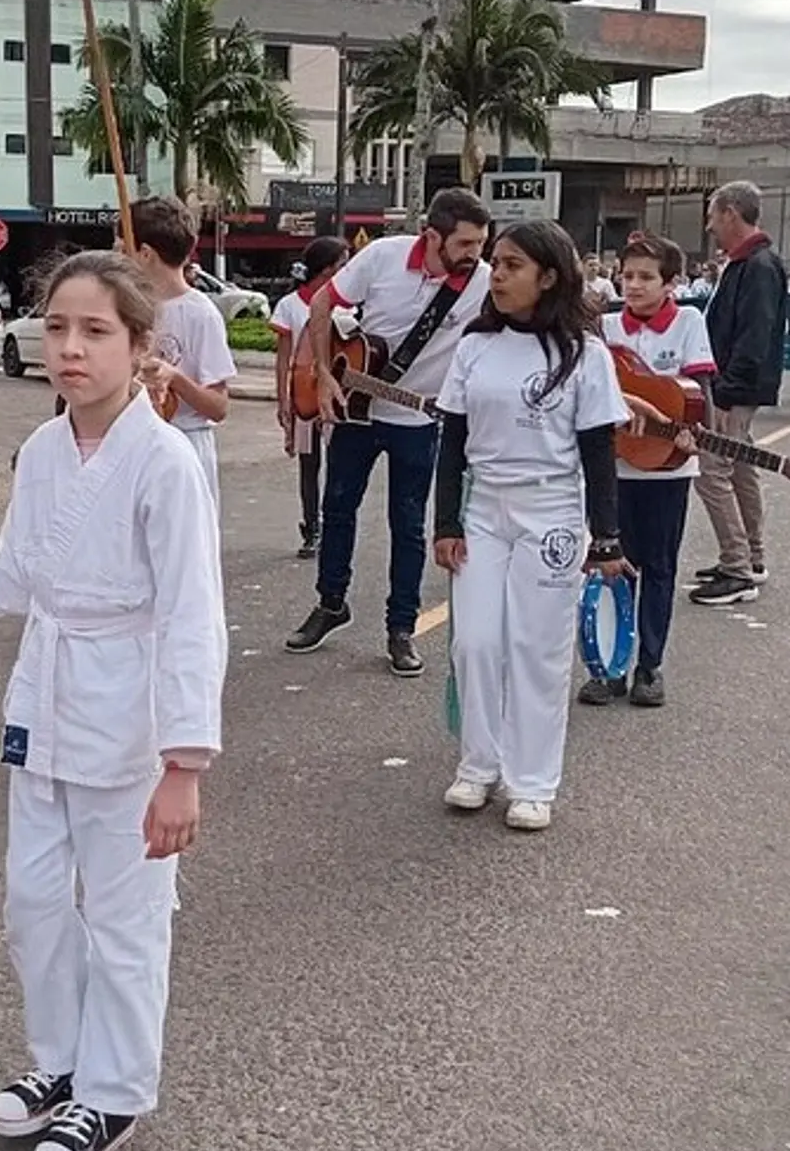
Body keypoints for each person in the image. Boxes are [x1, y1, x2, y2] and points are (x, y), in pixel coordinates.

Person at [0, 250, 227, 1151]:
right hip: (45, 700)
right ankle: (66, 1058)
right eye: (57, 328)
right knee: (33, 901)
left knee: (125, 916)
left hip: (131, 709)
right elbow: (23, 571)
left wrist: (184, 762)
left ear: (140, 345)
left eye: (96, 331)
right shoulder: (43, 451)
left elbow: (195, 613)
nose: (71, 349)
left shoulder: (162, 462)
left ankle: (116, 1089)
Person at [433, 220, 631, 832]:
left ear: (548, 277)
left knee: (536, 650)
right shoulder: (474, 345)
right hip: (485, 510)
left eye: (512, 265)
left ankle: (533, 782)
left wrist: (606, 539)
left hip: (552, 514)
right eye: (496, 262)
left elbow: (598, 454)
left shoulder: (586, 355)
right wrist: (446, 522)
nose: (497, 274)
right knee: (476, 642)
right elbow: (453, 442)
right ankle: (478, 764)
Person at [285, 187, 492, 677]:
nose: (474, 255)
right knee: (337, 509)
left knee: (408, 525)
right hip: (358, 411)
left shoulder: (483, 282)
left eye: (480, 243)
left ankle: (401, 628)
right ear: (431, 236)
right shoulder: (382, 256)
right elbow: (321, 303)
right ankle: (331, 602)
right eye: (464, 244)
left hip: (417, 418)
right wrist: (327, 374)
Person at [580, 232, 715, 708]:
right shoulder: (606, 326)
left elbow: (697, 391)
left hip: (665, 471)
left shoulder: (688, 322)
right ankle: (609, 667)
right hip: (613, 467)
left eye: (645, 277)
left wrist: (693, 431)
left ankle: (649, 665)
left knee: (657, 568)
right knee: (612, 567)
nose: (633, 285)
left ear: (671, 283)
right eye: (627, 275)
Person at [690, 181, 788, 606]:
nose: (710, 225)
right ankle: (752, 556)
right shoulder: (749, 262)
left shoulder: (759, 266)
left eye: (713, 215)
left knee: (712, 471)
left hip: (734, 387)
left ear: (731, 212)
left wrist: (726, 390)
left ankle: (737, 567)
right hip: (736, 384)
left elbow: (755, 334)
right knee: (741, 466)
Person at [126, 197, 237, 509]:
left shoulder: (200, 313)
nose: (116, 258)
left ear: (145, 254)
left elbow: (218, 406)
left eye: (122, 250)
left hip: (187, 445)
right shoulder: (129, 309)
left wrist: (174, 378)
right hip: (135, 444)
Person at [270, 236, 349, 559]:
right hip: (304, 393)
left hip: (338, 394)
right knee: (309, 464)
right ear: (327, 269)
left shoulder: (347, 303)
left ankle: (334, 526)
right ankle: (311, 527)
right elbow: (283, 357)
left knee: (340, 464)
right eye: (343, 264)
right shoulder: (291, 305)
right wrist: (282, 401)